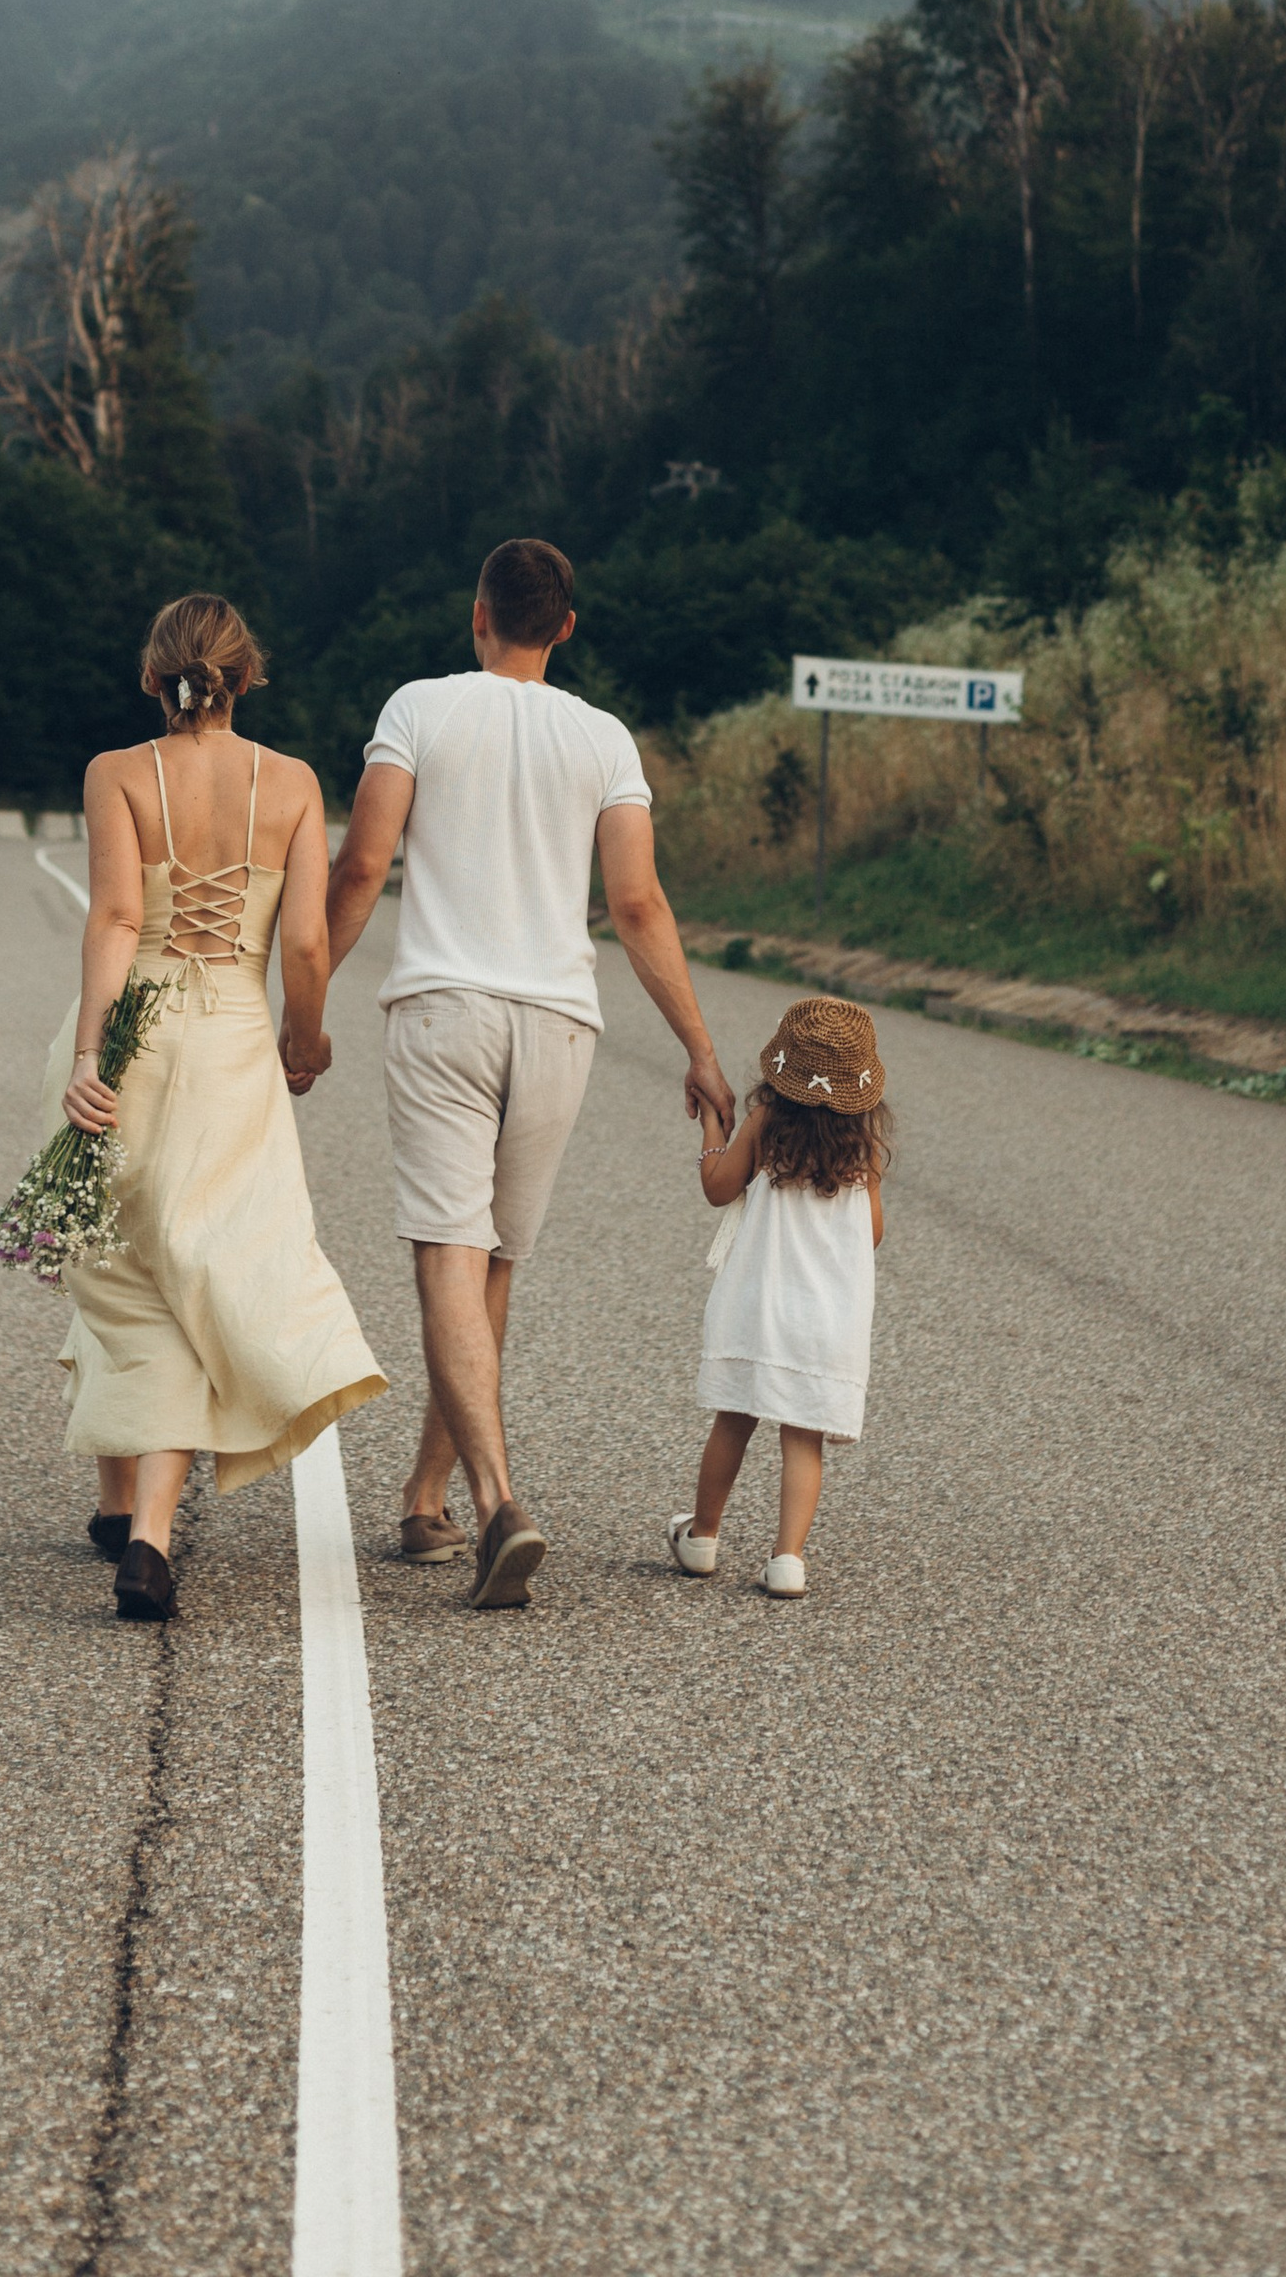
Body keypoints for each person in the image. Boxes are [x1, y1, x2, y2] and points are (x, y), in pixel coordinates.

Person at [320, 536, 737, 1612]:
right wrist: (696, 1047)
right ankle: (425, 1495)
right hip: (557, 1028)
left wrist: (302, 1007)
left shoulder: (417, 708)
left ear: (477, 616)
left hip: (445, 1013)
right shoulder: (602, 739)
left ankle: (500, 1496)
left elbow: (364, 862)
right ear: (565, 625)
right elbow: (636, 904)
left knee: (449, 1258)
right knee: (494, 1263)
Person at [44, 592, 386, 1624]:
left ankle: (134, 1519)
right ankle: (141, 1528)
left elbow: (112, 917)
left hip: (135, 1029)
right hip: (233, 1037)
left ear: (155, 678)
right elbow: (309, 944)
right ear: (248, 676)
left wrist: (90, 1055)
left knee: (121, 1259)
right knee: (201, 1255)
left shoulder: (117, 774)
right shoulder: (289, 783)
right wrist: (306, 1034)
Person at [670, 995, 887, 1601]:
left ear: (781, 1069)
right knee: (803, 1437)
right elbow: (870, 1234)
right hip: (825, 1321)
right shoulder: (863, 1150)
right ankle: (787, 1559)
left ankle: (703, 1537)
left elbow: (718, 1188)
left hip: (759, 1307)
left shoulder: (766, 1123)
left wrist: (715, 1126)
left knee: (734, 1420)